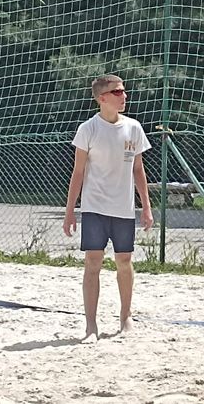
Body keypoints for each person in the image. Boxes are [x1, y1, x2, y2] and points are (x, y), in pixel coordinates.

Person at [63, 74, 153, 340]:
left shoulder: (133, 128)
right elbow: (78, 172)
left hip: (123, 207)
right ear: (102, 98)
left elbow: (138, 169)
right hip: (94, 207)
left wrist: (146, 206)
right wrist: (70, 211)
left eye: (123, 91)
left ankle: (126, 318)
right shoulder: (88, 129)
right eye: (117, 92)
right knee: (93, 261)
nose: (124, 96)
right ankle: (91, 326)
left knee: (124, 261)